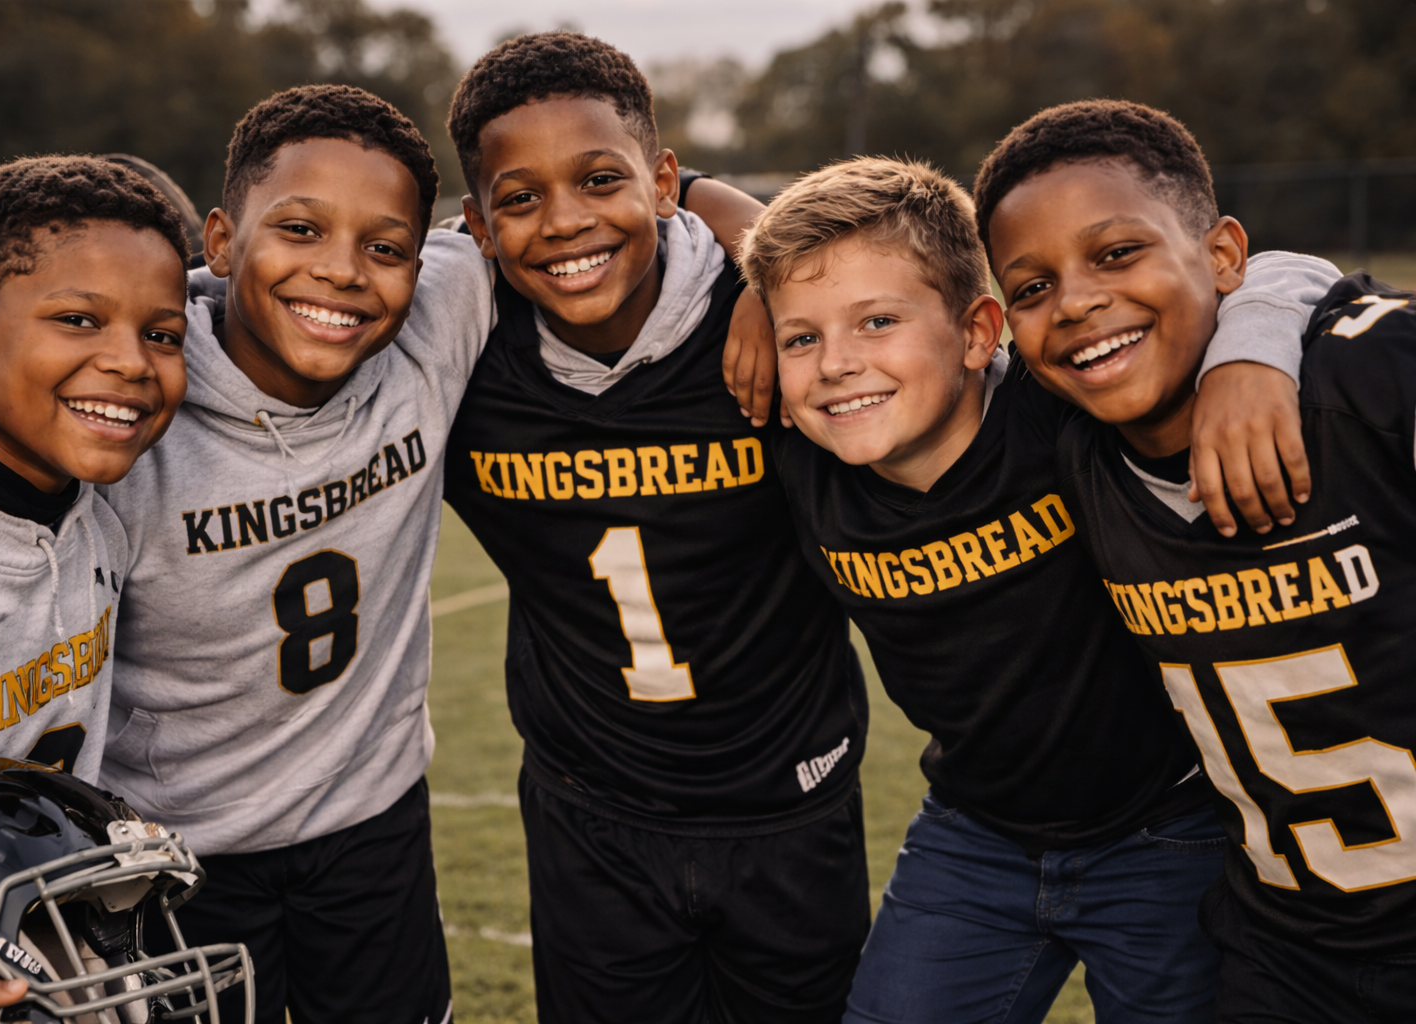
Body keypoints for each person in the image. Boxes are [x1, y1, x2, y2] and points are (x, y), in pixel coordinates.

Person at [96, 83, 758, 1024]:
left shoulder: (440, 312)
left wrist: (768, 255)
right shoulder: (133, 404)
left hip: (373, 829)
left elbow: (614, 194)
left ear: (436, 252)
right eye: (298, 230)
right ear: (218, 240)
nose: (341, 272)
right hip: (178, 854)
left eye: (384, 248)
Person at [728, 155, 1340, 1022]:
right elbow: (657, 213)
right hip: (974, 836)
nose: (835, 364)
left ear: (981, 332)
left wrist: (1253, 357)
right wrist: (748, 288)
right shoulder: (796, 454)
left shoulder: (1062, 417)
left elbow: (1283, 271)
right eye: (803, 337)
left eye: (876, 322)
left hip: (1167, 831)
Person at [441, 31, 875, 1023]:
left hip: (792, 802)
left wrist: (772, 265)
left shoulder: (767, 311)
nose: (565, 222)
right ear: (476, 224)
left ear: (665, 179)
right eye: (519, 199)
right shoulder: (460, 349)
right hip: (590, 816)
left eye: (601, 179)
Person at [981, 98, 1416, 1022]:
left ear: (1222, 256)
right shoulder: (1071, 445)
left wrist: (1256, 344)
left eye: (1115, 253)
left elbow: (1300, 283)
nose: (1078, 301)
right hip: (1287, 954)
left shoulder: (1371, 377)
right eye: (1032, 288)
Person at [0, 154, 191, 1022]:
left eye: (162, 335)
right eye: (79, 318)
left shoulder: (74, 479)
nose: (130, 361)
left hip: (32, 924)